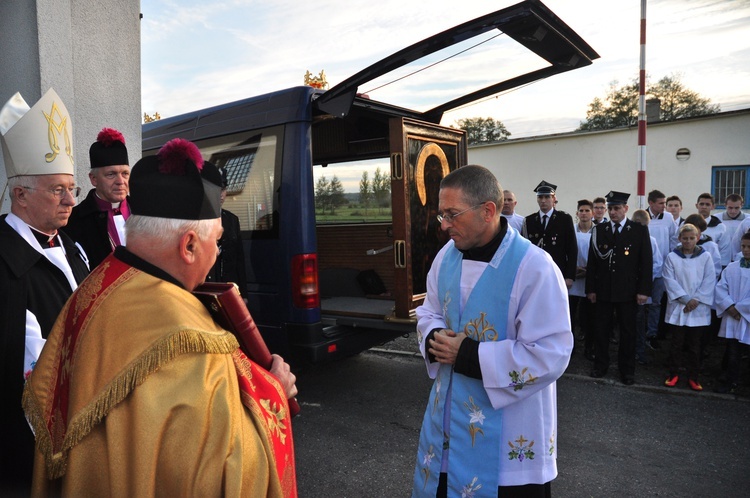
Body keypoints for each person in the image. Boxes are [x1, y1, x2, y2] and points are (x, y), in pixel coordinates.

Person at [23, 138, 298, 497]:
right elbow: (221, 471)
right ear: (188, 246)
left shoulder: (96, 289)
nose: (217, 253)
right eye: (216, 241)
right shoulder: (188, 340)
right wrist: (274, 392)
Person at [412, 165, 572, 498]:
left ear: (488, 211)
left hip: (510, 437)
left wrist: (468, 354)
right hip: (449, 428)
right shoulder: (446, 257)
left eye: (453, 214)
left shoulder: (535, 267)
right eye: (441, 214)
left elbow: (551, 353)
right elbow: (429, 310)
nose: (444, 226)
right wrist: (433, 336)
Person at [0, 89, 90, 495]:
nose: (71, 200)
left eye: (72, 188)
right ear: (20, 195)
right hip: (26, 444)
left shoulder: (73, 247)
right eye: (58, 189)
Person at [586, 191, 652, 385]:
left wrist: (643, 291)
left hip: (628, 292)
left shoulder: (638, 230)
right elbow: (593, 263)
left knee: (628, 333)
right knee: (601, 331)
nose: (613, 212)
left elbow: (645, 263)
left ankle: (627, 370)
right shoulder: (600, 230)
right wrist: (591, 289)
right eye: (611, 209)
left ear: (626, 209)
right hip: (604, 291)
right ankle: (600, 365)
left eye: (617, 208)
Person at [62, 127, 131, 269]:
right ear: (94, 179)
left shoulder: (144, 212)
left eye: (125, 174)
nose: (120, 181)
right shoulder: (72, 221)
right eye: (111, 174)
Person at [662, 223, 715, 391]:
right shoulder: (672, 257)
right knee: (676, 343)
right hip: (680, 306)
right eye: (685, 238)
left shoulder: (706, 257)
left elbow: (709, 280)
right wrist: (685, 299)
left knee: (694, 345)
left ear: (697, 238)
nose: (688, 241)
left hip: (697, 307)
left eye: (692, 238)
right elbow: (669, 279)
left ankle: (693, 377)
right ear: (679, 239)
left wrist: (696, 300)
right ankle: (673, 374)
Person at [522, 180, 578, 289]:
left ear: (553, 199)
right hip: (535, 272)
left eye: (547, 197)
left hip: (557, 270)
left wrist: (570, 276)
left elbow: (572, 249)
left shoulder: (564, 219)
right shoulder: (529, 220)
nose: (543, 201)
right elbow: (525, 249)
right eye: (540, 197)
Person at [204, 164, 248, 299]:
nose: (220, 195)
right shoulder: (200, 221)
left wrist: (244, 295)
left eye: (223, 189)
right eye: (216, 190)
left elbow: (239, 260)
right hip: (207, 289)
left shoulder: (232, 220)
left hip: (229, 289)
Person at [714, 231, 750, 394]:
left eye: (749, 247)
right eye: (743, 246)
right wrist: (729, 306)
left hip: (746, 317)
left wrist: (740, 309)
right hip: (733, 316)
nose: (746, 250)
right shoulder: (732, 267)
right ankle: (730, 381)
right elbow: (721, 288)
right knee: (733, 353)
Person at [630, 209, 663, 366]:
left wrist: (644, 281)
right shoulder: (626, 238)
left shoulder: (651, 241)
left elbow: (656, 264)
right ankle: (629, 350)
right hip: (627, 286)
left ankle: (640, 351)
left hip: (641, 287)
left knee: (639, 319)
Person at [646, 189, 677, 348]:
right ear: (651, 203)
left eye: (665, 203)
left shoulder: (669, 218)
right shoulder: (642, 217)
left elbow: (673, 239)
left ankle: (652, 333)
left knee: (656, 303)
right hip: (644, 269)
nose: (664, 206)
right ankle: (640, 333)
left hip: (662, 268)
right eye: (661, 203)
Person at [570, 199, 595, 359]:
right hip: (572, 279)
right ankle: (569, 348)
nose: (584, 214)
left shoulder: (599, 231)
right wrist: (573, 270)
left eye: (587, 210)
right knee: (570, 317)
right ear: (577, 213)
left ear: (592, 213)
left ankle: (589, 348)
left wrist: (589, 271)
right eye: (581, 211)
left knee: (589, 318)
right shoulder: (571, 231)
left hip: (590, 281)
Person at [695, 193, 730, 268]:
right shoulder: (686, 224)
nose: (704, 207)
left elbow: (724, 250)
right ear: (696, 205)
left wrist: (722, 268)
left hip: (710, 266)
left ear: (713, 207)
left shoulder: (720, 227)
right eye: (701, 204)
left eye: (707, 204)